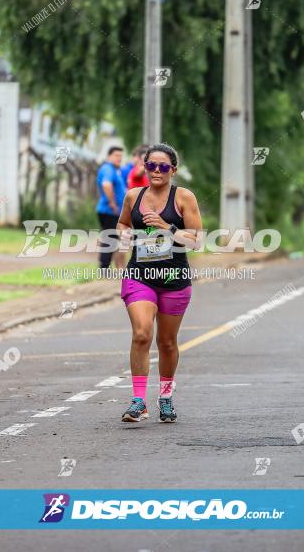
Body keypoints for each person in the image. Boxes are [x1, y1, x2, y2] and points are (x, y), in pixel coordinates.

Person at [116, 143, 202, 423]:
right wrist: (124, 239)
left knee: (166, 342)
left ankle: (165, 397)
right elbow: (124, 224)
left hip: (174, 278)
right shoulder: (133, 196)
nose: (156, 171)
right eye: (151, 165)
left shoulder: (184, 197)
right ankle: (138, 401)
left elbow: (197, 240)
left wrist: (168, 227)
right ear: (145, 167)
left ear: (173, 170)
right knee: (142, 334)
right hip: (140, 275)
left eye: (163, 166)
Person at [96, 146, 127, 269]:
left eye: (121, 156)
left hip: (111, 211)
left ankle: (105, 267)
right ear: (109, 156)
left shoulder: (114, 170)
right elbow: (106, 185)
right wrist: (113, 203)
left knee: (112, 239)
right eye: (116, 155)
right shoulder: (108, 169)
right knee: (110, 239)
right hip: (109, 210)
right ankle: (104, 268)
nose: (119, 158)